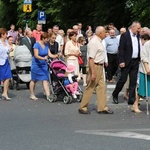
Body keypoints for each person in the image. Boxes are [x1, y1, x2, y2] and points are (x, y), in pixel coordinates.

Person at [78, 26, 114, 114]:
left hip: (100, 66)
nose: (106, 33)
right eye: (104, 32)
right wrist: (93, 72)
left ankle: (102, 107)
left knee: (102, 87)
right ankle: (83, 107)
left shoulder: (99, 41)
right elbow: (91, 58)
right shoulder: (94, 42)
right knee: (91, 86)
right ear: (100, 33)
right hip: (95, 66)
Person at [112, 21, 141, 105]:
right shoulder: (125, 36)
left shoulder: (138, 36)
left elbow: (138, 47)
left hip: (135, 61)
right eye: (138, 28)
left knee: (133, 81)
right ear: (133, 27)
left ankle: (132, 99)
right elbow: (121, 49)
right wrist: (121, 61)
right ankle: (115, 94)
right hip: (126, 61)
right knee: (123, 79)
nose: (139, 30)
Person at [29, 32, 59, 101]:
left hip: (44, 65)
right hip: (36, 65)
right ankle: (32, 94)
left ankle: (48, 95)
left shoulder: (46, 45)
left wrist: (56, 56)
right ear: (43, 38)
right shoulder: (36, 45)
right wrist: (43, 58)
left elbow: (50, 54)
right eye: (46, 39)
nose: (47, 40)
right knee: (34, 80)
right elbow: (36, 55)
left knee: (45, 79)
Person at [132, 34, 150, 113]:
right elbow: (143, 56)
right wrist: (147, 68)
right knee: (143, 88)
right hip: (147, 69)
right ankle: (135, 104)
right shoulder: (147, 44)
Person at [0, 28, 12, 100]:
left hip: (6, 61)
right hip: (0, 62)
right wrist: (8, 50)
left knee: (8, 77)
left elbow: (7, 51)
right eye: (5, 34)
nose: (6, 36)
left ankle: (5, 93)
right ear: (2, 34)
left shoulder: (6, 42)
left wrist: (9, 50)